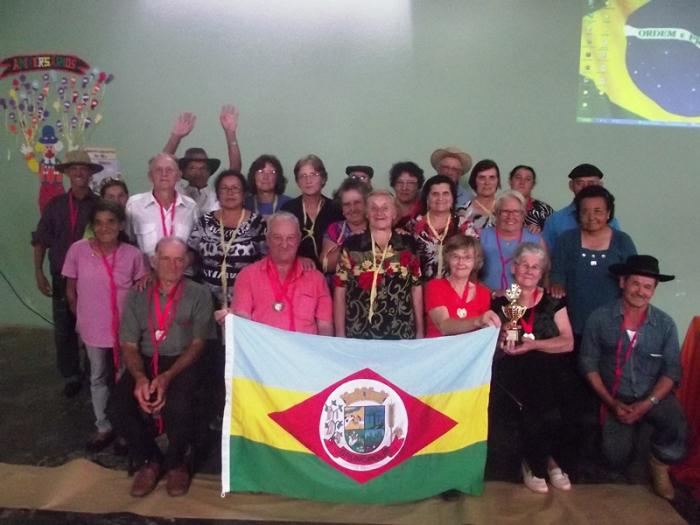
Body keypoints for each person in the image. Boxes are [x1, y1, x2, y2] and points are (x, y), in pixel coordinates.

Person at [107, 237, 214, 498]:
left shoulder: (199, 293)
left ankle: (177, 463)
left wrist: (167, 376)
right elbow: (129, 343)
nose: (173, 265)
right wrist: (140, 378)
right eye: (165, 258)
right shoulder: (138, 294)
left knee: (179, 404)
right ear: (153, 261)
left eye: (179, 259)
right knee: (118, 407)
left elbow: (199, 343)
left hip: (182, 360)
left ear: (187, 262)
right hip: (144, 360)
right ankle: (151, 460)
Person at [580, 255, 686, 500]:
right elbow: (588, 364)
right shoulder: (599, 318)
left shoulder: (665, 324)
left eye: (647, 287)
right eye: (635, 284)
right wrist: (610, 402)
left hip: (654, 396)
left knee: (677, 424)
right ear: (622, 283)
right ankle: (635, 440)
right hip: (615, 398)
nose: (641, 291)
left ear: (654, 291)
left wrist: (647, 404)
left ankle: (659, 463)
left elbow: (672, 371)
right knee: (614, 457)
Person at [62, 200, 149, 452]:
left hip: (125, 330)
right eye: (98, 223)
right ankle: (103, 425)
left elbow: (142, 287)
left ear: (121, 224)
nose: (104, 228)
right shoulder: (78, 250)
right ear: (92, 226)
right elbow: (71, 291)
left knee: (125, 377)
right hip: (93, 327)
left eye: (111, 222)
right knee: (98, 375)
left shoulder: (132, 255)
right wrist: (81, 320)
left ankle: (125, 427)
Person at [491, 243, 575, 493]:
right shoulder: (500, 300)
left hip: (550, 369)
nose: (529, 270)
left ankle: (543, 460)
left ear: (542, 272)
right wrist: (500, 337)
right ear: (514, 268)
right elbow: (491, 345)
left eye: (535, 267)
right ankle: (538, 463)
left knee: (550, 397)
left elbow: (568, 342)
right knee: (533, 398)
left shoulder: (553, 301)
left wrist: (534, 345)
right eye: (524, 265)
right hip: (512, 370)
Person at [32, 149, 103, 397]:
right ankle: (71, 375)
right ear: (68, 174)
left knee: (93, 329)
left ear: (90, 173)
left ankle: (94, 372)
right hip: (61, 278)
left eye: (83, 168)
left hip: (93, 281)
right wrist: (39, 272)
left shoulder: (99, 206)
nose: (79, 173)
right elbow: (40, 239)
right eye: (74, 169)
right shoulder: (55, 205)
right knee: (64, 328)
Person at [549, 185, 636, 343]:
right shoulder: (566, 240)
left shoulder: (623, 241)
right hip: (572, 323)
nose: (591, 216)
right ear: (578, 214)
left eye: (598, 211)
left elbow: (634, 279)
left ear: (608, 213)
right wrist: (556, 284)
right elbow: (557, 273)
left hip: (614, 324)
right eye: (585, 211)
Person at [334, 190, 423, 340]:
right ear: (367, 213)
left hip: (401, 331)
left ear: (394, 213)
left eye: (385, 207)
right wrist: (340, 334)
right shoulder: (352, 245)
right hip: (359, 332)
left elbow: (416, 289)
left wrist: (420, 331)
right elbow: (340, 291)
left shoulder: (408, 245)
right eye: (373, 208)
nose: (379, 212)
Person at [228, 212, 333, 335]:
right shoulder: (247, 276)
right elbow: (242, 321)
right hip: (262, 351)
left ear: (299, 239)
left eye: (290, 238)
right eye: (277, 237)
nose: (284, 244)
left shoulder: (316, 279)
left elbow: (325, 327)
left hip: (304, 352)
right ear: (267, 239)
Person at [188, 170, 266, 309]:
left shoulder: (258, 223)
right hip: (206, 301)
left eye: (235, 188)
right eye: (224, 188)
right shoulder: (205, 221)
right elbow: (191, 253)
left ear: (244, 194)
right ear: (217, 194)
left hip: (247, 301)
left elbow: (267, 261)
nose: (230, 192)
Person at [163, 106, 242, 212]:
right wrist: (176, 136)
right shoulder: (176, 192)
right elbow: (162, 165)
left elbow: (235, 169)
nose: (198, 172)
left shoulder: (216, 196)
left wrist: (230, 133)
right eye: (192, 168)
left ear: (209, 172)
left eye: (203, 168)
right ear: (183, 173)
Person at [404, 175, 478, 282]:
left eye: (446, 193)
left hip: (455, 290)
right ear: (427, 199)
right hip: (421, 289)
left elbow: (474, 263)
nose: (440, 198)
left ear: (453, 198)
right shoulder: (413, 225)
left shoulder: (464, 226)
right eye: (435, 194)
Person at [424, 235, 500, 338]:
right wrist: (478, 321)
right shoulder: (435, 286)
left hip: (469, 352)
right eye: (455, 257)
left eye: (467, 258)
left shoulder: (483, 293)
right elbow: (444, 326)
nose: (461, 262)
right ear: (448, 259)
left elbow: (482, 333)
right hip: (439, 351)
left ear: (475, 262)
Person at [125, 153, 198, 258]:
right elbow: (128, 244)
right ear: (150, 176)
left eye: (169, 170)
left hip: (183, 272)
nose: (164, 174)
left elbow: (195, 247)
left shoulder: (191, 207)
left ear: (178, 176)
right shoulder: (134, 205)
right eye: (158, 170)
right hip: (147, 272)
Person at [281, 154, 343, 269]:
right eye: (302, 176)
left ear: (323, 178)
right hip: (295, 270)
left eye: (313, 175)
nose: (308, 180)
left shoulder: (336, 209)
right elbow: (279, 245)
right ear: (297, 182)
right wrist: (297, 259)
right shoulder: (288, 209)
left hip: (329, 274)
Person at [542, 163, 620, 252]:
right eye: (580, 183)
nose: (585, 187)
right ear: (571, 186)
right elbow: (546, 257)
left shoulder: (610, 221)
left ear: (600, 185)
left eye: (591, 183)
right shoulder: (555, 220)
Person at [479, 190, 543, 294]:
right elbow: (471, 275)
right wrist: (491, 293)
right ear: (496, 212)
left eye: (516, 212)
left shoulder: (535, 238)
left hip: (525, 302)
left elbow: (545, 273)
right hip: (486, 299)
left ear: (523, 214)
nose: (510, 216)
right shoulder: (482, 236)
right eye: (505, 211)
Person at [319, 178, 369, 275]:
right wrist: (350, 242)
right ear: (341, 208)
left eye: (357, 202)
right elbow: (326, 265)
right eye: (347, 204)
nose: (352, 209)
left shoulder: (377, 226)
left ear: (366, 204)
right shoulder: (335, 229)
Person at [457, 159, 501, 234]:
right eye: (482, 178)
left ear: (497, 181)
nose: (487, 182)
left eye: (492, 177)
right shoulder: (463, 211)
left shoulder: (507, 208)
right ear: (474, 180)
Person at [508, 165, 553, 233]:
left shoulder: (544, 210)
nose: (522, 182)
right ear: (510, 181)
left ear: (533, 184)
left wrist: (540, 232)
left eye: (527, 179)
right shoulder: (497, 208)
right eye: (518, 178)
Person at [389, 161, 425, 227]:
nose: (404, 188)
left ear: (418, 185)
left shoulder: (425, 209)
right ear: (393, 185)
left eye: (411, 183)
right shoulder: (385, 209)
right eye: (399, 182)